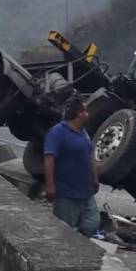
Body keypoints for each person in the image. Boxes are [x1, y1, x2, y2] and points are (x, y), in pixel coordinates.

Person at [43, 97, 100, 235]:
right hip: (66, 193)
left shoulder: (83, 133)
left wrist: (95, 177)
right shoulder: (58, 132)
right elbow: (49, 159)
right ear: (79, 113)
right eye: (86, 111)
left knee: (92, 222)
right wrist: (50, 186)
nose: (88, 114)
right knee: (65, 230)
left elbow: (90, 154)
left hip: (85, 191)